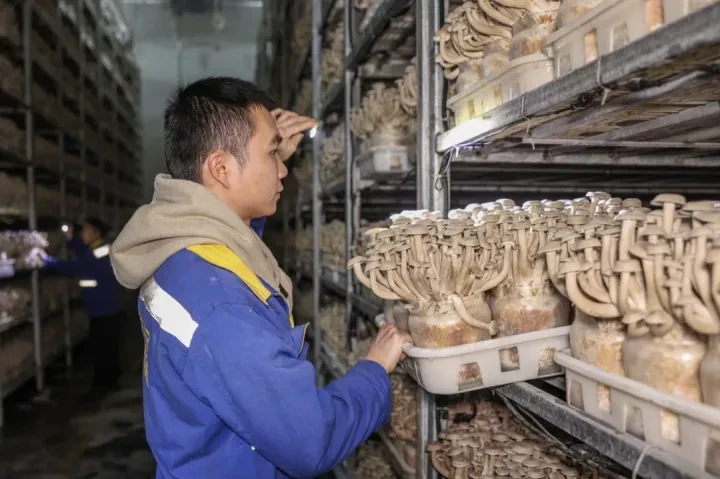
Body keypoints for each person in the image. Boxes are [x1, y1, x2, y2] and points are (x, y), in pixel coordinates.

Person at [109, 76, 413, 478]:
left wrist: (266, 153)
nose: (283, 170)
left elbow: (233, 241)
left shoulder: (183, 251)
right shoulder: (222, 307)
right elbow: (309, 441)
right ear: (221, 168)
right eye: (272, 154)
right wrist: (374, 369)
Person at [43, 217, 124, 394]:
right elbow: (86, 254)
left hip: (104, 310)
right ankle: (111, 380)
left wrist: (47, 261)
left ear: (96, 233)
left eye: (86, 231)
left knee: (101, 349)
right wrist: (71, 239)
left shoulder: (99, 253)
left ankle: (103, 385)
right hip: (104, 308)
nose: (83, 234)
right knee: (107, 347)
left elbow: (78, 266)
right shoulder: (99, 249)